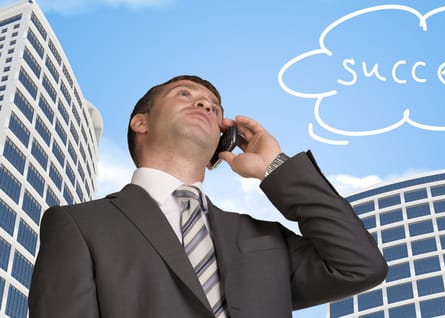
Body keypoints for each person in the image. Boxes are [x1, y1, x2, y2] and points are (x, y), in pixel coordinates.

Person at [28, 74, 387, 317]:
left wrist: (273, 167)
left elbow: (359, 267)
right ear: (141, 122)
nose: (205, 106)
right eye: (185, 95)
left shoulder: (262, 238)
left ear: (221, 141)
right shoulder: (79, 224)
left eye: (214, 108)